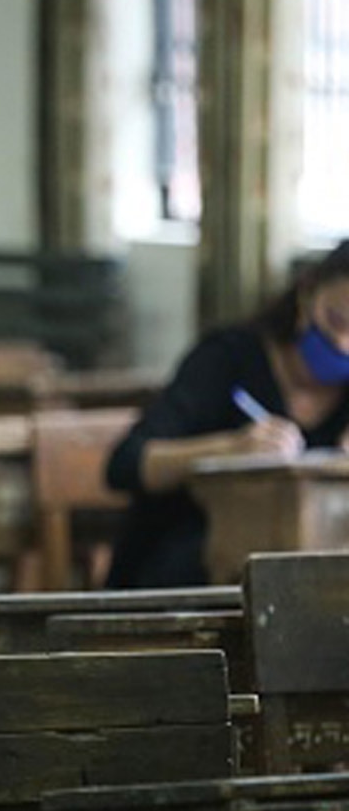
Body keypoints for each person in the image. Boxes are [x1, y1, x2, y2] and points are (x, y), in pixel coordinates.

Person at [105, 241, 349, 588]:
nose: (343, 344)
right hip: (180, 580)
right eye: (337, 321)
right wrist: (230, 449)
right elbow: (124, 465)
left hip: (304, 591)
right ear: (307, 296)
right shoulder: (228, 360)